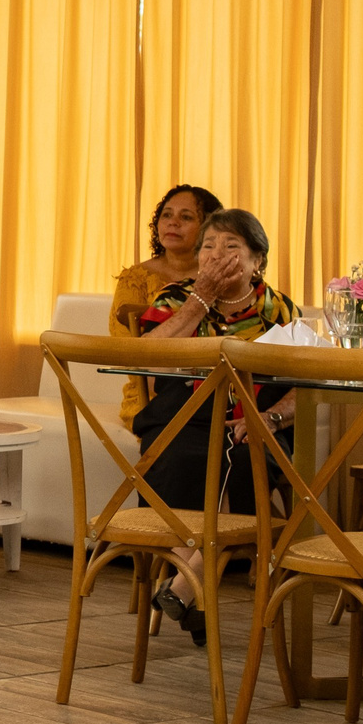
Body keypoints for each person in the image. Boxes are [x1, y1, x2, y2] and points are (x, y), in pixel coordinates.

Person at [134, 206, 298, 645]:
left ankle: (181, 586)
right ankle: (193, 589)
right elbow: (145, 359)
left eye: (231, 247)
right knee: (184, 459)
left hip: (255, 421)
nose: (216, 255)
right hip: (180, 418)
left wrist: (271, 417)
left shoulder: (280, 309)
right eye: (208, 246)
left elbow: (308, 382)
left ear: (257, 259)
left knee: (244, 461)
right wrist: (199, 300)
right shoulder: (173, 298)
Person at [112, 185, 222, 427]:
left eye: (186, 217)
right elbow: (129, 354)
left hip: (218, 391)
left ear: (209, 230)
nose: (173, 223)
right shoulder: (135, 278)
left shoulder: (222, 277)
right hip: (150, 397)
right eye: (167, 215)